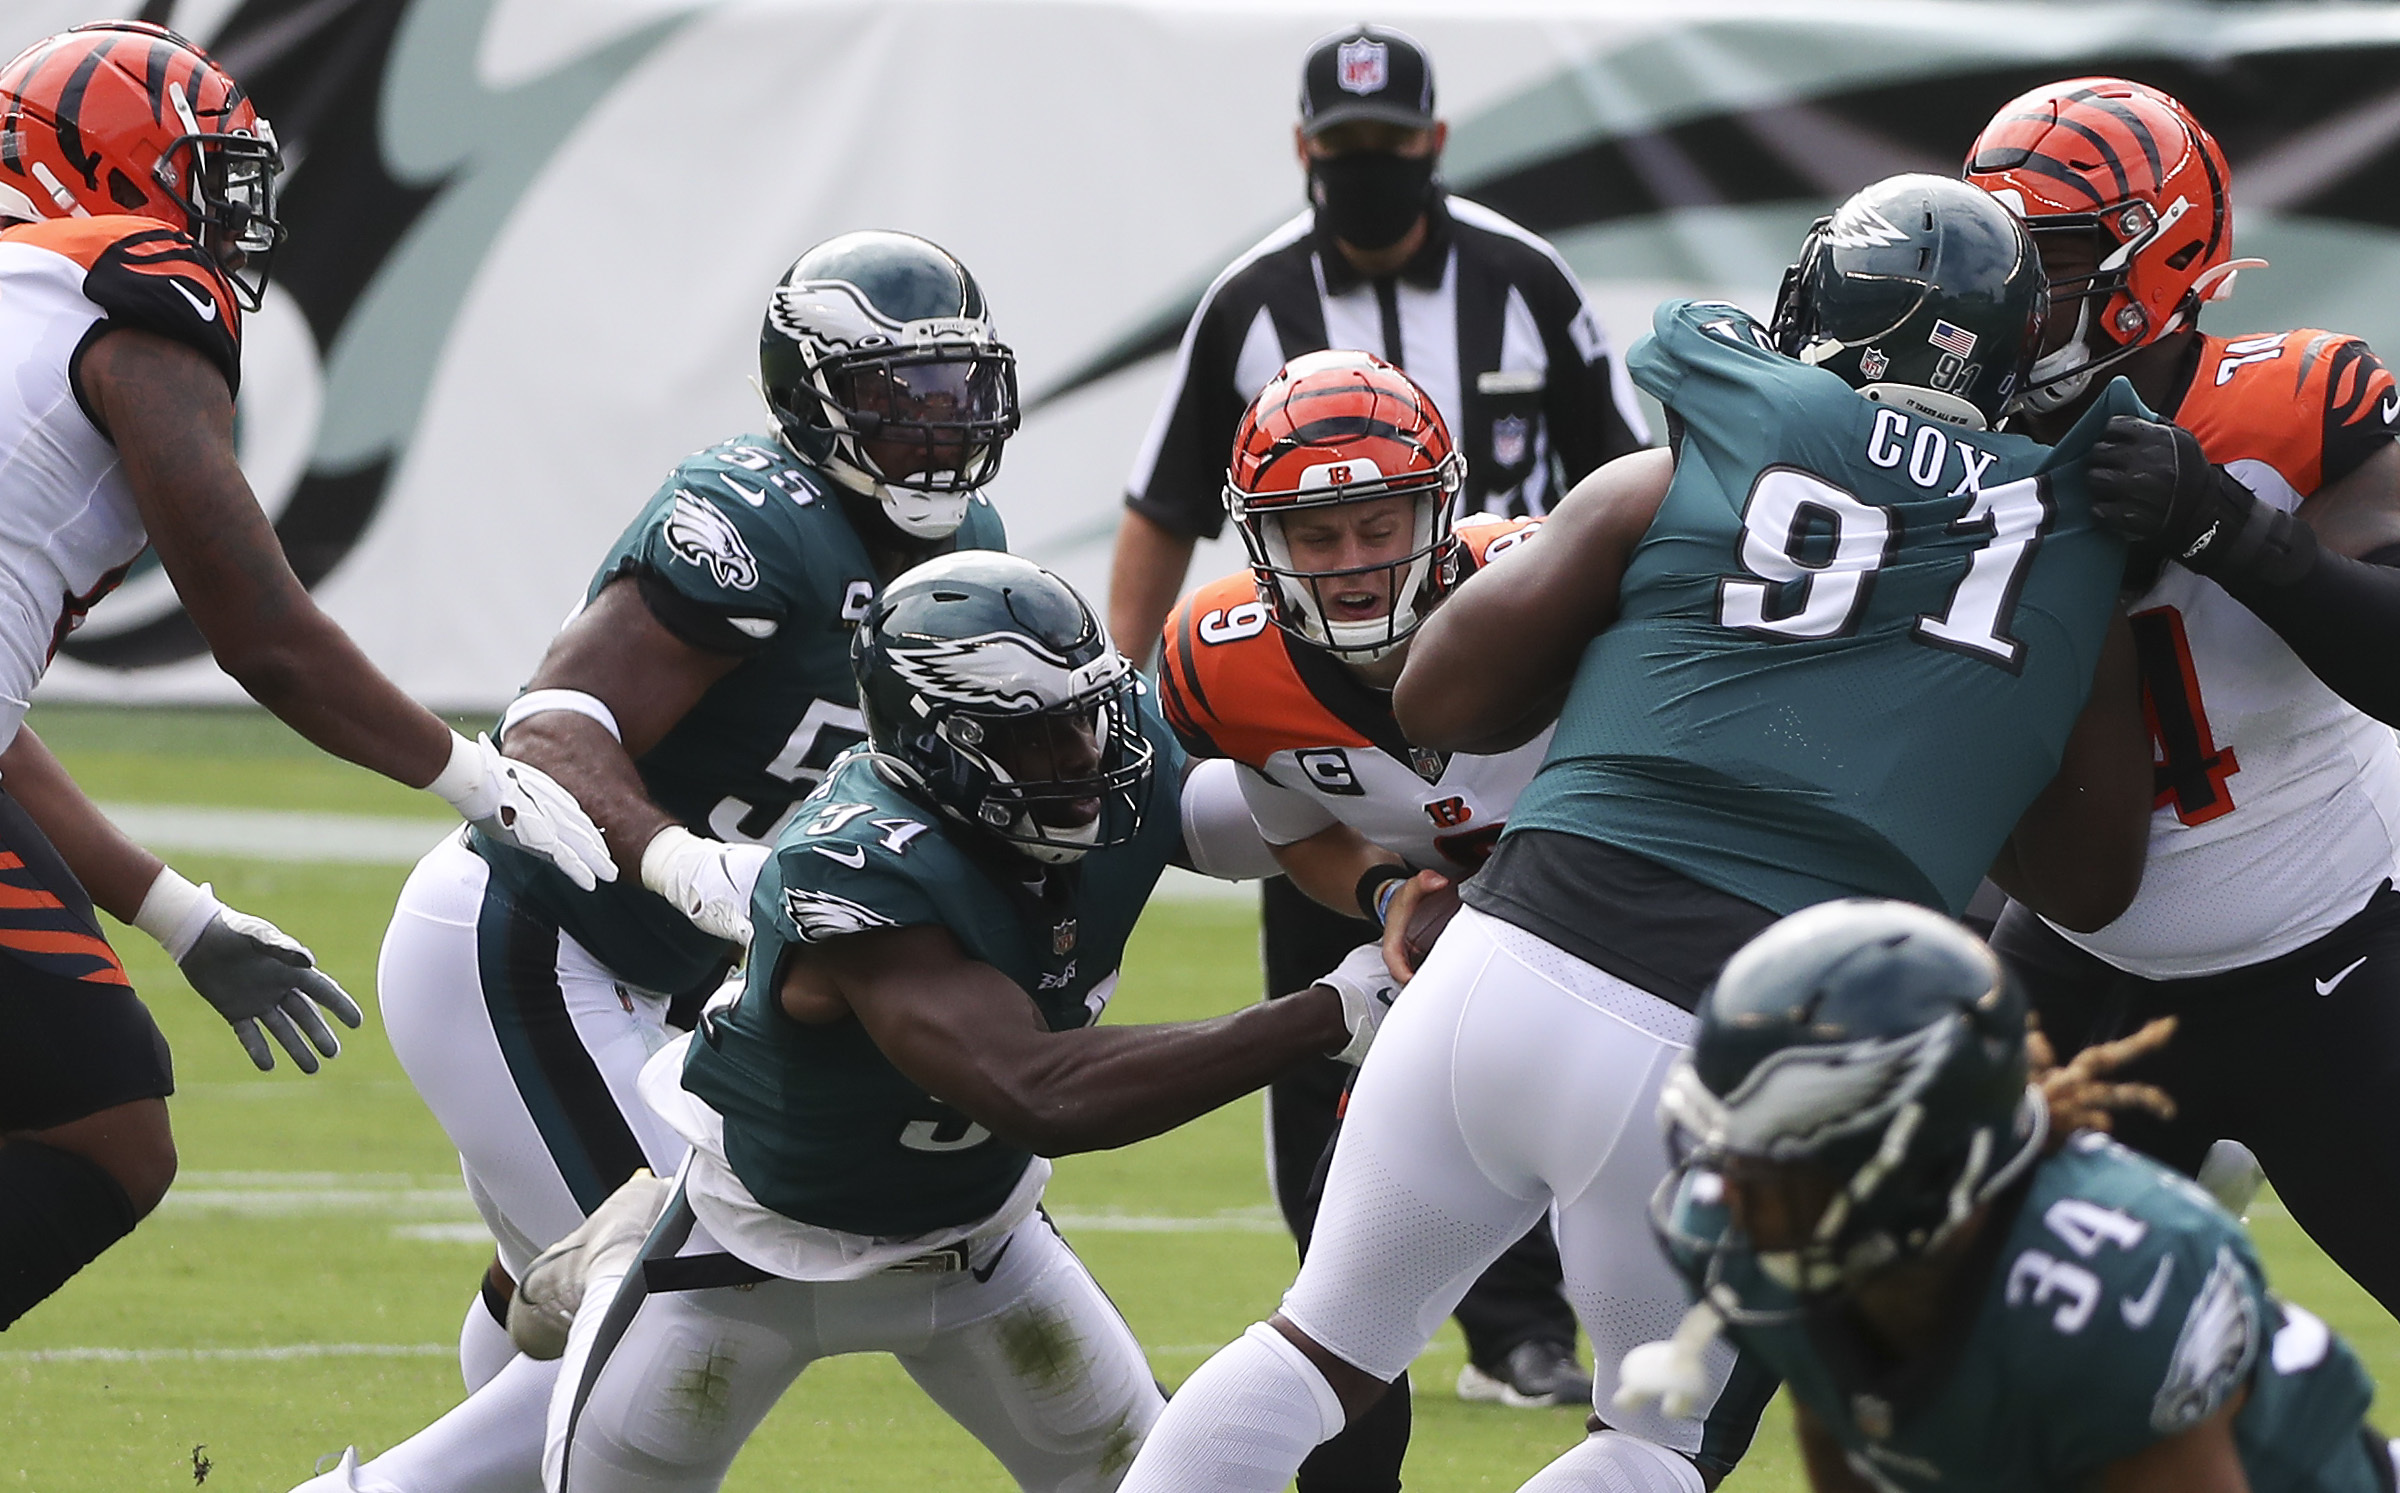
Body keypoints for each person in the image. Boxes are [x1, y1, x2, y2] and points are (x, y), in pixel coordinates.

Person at [1119, 172, 2167, 1493]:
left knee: (1314, 1349)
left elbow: (1439, 697)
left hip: (1502, 967)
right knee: (1648, 1444)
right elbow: (2093, 879)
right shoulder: (2069, 543)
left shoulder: (1704, 445)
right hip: (1733, 1048)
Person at [290, 231, 1024, 1493]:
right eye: (898, 400)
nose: (937, 431)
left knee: (611, 1310)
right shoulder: (751, 516)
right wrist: (679, 857)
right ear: (812, 399)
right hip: (533, 942)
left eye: (959, 391)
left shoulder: (973, 537)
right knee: (692, 1292)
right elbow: (550, 724)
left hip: (682, 985)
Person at [537, 552, 1402, 1493]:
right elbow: (1040, 1090)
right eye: (1036, 737)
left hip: (981, 1243)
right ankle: (616, 1252)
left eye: (1089, 714)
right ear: (935, 741)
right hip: (747, 1255)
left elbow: (1283, 819)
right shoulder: (858, 860)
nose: (1084, 758)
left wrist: (1398, 870)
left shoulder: (1112, 764)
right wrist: (1330, 1011)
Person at [0, 20, 611, 1336]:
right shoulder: (132, 280)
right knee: (105, 1126)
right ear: (98, 168)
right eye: (204, 175)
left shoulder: (30, 299)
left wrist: (179, 917)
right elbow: (258, 623)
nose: (230, 218)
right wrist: (476, 778)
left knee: (103, 1109)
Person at [1112, 19, 1622, 1411]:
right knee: (1336, 1057)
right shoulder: (1226, 646)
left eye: (1389, 149)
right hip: (1357, 791)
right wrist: (1383, 876)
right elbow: (1162, 515)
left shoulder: (1525, 285)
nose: (1368, 171)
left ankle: (1545, 1322)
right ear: (1305, 157)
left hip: (1523, 724)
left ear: (1434, 145)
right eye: (1344, 154)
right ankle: (1356, 1320)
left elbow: (1625, 480)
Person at [1964, 78, 2400, 1318]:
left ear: (2162, 256)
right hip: (2078, 961)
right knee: (1935, 1339)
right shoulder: (1951, 435)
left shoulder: (2290, 402)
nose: (2014, 301)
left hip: (2323, 953)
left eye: (2047, 261)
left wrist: (2228, 529)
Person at [1155, 349, 1580, 1490]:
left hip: (1617, 940)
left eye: (1377, 523)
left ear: (1437, 510)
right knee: (1348, 1285)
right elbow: (1298, 829)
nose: (1350, 561)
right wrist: (1392, 893)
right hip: (1449, 939)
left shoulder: (1559, 588)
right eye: (1316, 533)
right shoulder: (1220, 664)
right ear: (1260, 541)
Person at [1634, 898, 2393, 1493]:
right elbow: (1843, 1421)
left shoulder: (2109, 1287)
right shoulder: (1756, 1231)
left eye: (1778, 1155)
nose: (1729, 1189)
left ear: (1921, 1158)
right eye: (1729, 1144)